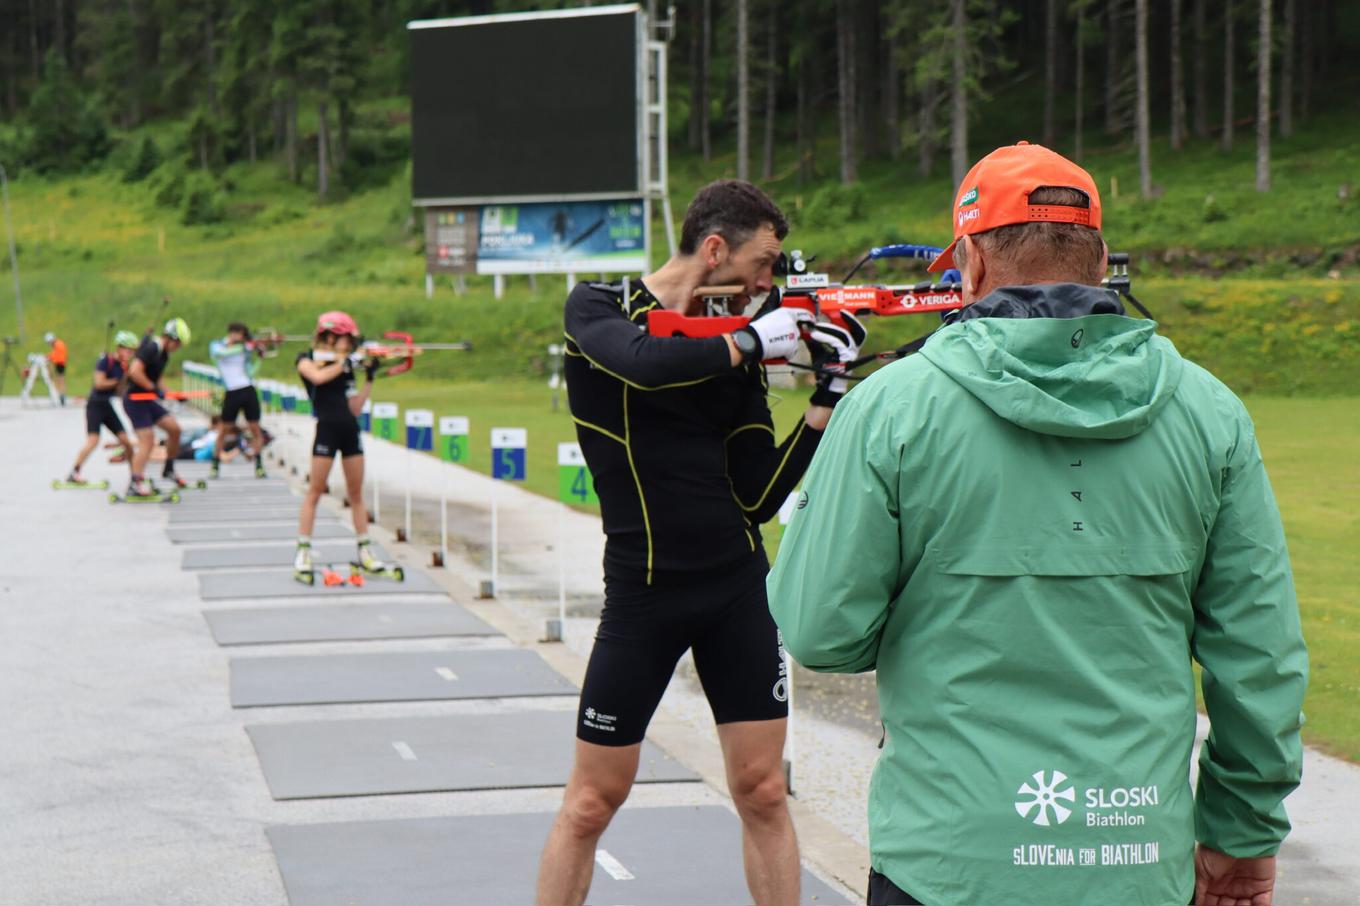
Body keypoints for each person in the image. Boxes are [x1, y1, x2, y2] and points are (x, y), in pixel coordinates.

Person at [767, 141, 1309, 906]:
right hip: (1136, 860)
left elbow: (820, 630)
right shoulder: (1209, 412)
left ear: (972, 266)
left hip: (948, 864)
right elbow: (1259, 657)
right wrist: (1242, 833)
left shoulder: (889, 409)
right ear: (1099, 261)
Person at [535, 179, 866, 906]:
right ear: (716, 248)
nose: (768, 281)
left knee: (763, 790)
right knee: (592, 801)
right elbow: (643, 364)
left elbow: (758, 496)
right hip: (643, 593)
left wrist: (824, 400)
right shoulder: (600, 306)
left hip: (735, 591)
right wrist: (755, 339)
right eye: (764, 261)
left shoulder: (739, 353)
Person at [293, 311, 385, 577]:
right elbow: (317, 378)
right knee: (315, 491)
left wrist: (368, 378)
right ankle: (303, 551)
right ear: (331, 336)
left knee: (356, 494)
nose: (351, 344)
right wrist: (346, 363)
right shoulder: (307, 359)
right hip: (326, 431)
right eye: (347, 339)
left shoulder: (347, 366)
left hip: (349, 430)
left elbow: (355, 407)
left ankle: (365, 550)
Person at [123, 317, 191, 497]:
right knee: (148, 441)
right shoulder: (152, 348)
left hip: (147, 399)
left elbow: (157, 379)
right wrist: (152, 388)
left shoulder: (164, 353)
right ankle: (135, 483)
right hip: (135, 399)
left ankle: (168, 468)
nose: (177, 348)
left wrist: (173, 395)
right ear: (170, 338)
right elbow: (135, 371)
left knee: (174, 430)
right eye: (178, 344)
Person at [65, 330, 140, 484]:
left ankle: (135, 477)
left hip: (107, 406)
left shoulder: (123, 366)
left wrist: (126, 378)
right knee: (93, 440)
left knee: (126, 441)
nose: (130, 353)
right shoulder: (105, 360)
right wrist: (117, 380)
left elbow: (119, 392)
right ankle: (74, 472)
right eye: (127, 349)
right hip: (95, 404)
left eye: (132, 351)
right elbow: (99, 383)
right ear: (119, 348)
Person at [208, 321, 268, 478]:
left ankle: (259, 464)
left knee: (255, 428)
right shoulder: (217, 345)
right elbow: (221, 354)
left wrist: (260, 357)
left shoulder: (244, 349)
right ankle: (215, 464)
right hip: (231, 391)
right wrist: (245, 346)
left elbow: (251, 371)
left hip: (247, 390)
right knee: (224, 429)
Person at [44, 331, 68, 405]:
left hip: (60, 363)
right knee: (60, 380)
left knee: (60, 380)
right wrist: (49, 356)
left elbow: (57, 355)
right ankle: (60, 395)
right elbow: (55, 354)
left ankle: (61, 396)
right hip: (60, 363)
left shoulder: (57, 344)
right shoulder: (58, 344)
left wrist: (49, 357)